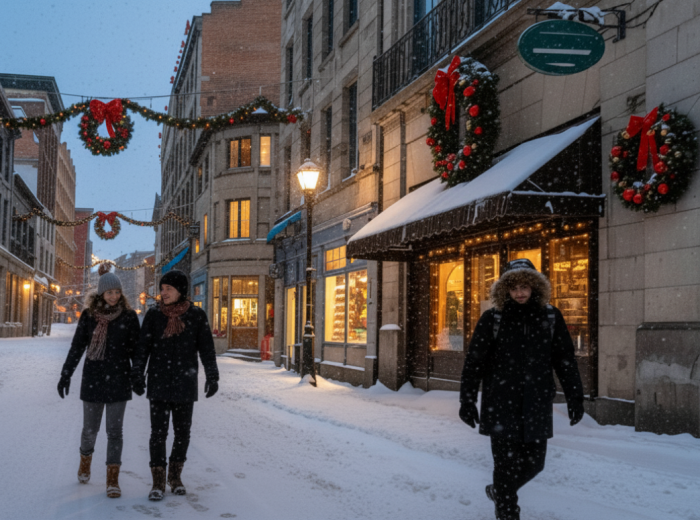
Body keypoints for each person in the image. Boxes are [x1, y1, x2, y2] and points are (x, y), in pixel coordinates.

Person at [459, 258, 585, 520]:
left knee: (534, 464)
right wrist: (467, 400)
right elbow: (474, 362)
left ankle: (500, 491)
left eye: (525, 287)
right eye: (514, 287)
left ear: (534, 287)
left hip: (536, 403)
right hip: (500, 402)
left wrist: (575, 396)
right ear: (505, 289)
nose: (520, 293)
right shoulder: (492, 319)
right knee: (504, 466)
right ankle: (507, 511)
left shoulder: (550, 317)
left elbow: (565, 360)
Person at [131, 269, 219, 501]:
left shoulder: (196, 316)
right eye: (162, 289)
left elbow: (207, 349)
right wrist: (137, 374)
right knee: (158, 434)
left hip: (185, 383)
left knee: (182, 433)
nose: (163, 293)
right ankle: (158, 482)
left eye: (168, 288)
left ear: (180, 291)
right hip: (159, 383)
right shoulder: (154, 315)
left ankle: (175, 477)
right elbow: (143, 348)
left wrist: (212, 376)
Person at [57, 264, 141, 498]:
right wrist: (66, 374)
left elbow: (136, 350)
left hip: (119, 380)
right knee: (90, 430)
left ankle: (112, 480)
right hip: (93, 379)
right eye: (109, 292)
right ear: (101, 293)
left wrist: (137, 375)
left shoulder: (129, 317)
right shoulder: (89, 316)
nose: (114, 296)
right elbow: (77, 347)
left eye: (117, 292)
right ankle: (85, 463)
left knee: (115, 431)